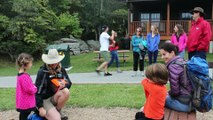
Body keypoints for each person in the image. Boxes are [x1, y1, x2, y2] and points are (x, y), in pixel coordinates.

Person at [35, 49, 72, 120]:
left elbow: (69, 82)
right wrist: (40, 107)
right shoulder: (42, 72)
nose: (54, 64)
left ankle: (58, 110)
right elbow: (37, 91)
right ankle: (48, 112)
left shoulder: (61, 69)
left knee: (66, 91)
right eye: (52, 62)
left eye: (56, 61)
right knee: (57, 119)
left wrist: (65, 84)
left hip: (54, 96)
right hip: (44, 99)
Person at [160, 43, 193, 112]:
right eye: (161, 55)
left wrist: (168, 94)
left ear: (172, 53)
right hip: (193, 101)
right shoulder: (182, 61)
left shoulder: (173, 66)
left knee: (158, 98)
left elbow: (175, 92)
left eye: (164, 54)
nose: (162, 57)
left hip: (185, 105)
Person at [16, 53, 37, 120]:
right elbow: (29, 89)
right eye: (30, 63)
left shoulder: (20, 74)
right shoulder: (24, 76)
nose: (31, 65)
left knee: (23, 115)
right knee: (25, 116)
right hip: (26, 103)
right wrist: (35, 88)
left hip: (22, 102)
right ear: (25, 65)